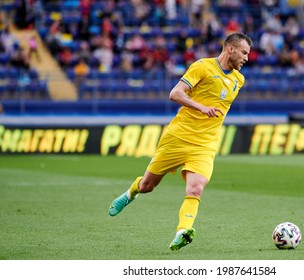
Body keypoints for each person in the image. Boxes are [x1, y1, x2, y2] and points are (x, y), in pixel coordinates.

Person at [108, 32, 253, 251]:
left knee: (195, 189)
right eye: (244, 52)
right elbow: (175, 94)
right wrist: (201, 107)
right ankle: (131, 193)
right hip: (178, 137)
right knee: (148, 186)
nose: (246, 58)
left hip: (205, 144)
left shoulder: (238, 80)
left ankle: (182, 231)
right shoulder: (202, 67)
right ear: (230, 49)